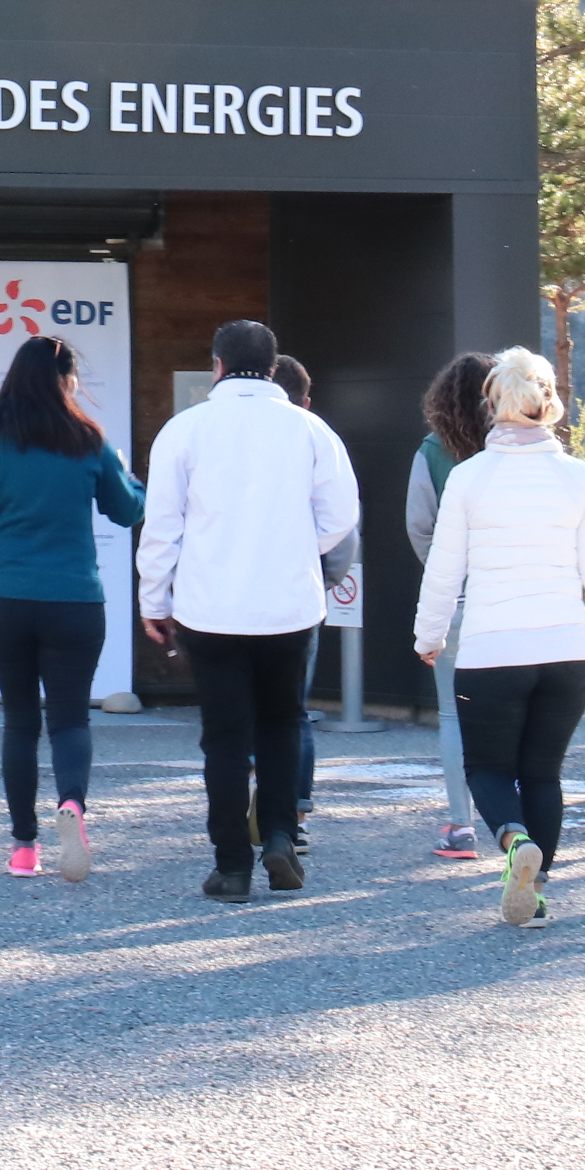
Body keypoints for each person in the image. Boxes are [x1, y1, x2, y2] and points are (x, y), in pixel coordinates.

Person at [413, 348, 585, 929]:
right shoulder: (578, 478)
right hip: (566, 652)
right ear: (550, 405)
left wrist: (429, 634)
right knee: (544, 771)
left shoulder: (468, 478)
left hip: (493, 650)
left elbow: (445, 568)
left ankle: (515, 842)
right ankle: (537, 890)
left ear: (493, 403)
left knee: (488, 768)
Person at [139, 319, 361, 903]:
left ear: (216, 364)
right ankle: (283, 836)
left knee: (224, 738)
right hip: (289, 605)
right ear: (272, 367)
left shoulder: (184, 431)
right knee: (284, 723)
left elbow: (161, 527)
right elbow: (341, 517)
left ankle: (232, 864)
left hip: (208, 608)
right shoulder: (311, 430)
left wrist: (153, 599)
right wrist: (297, 549)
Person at [0, 334, 146, 882]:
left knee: (20, 723)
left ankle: (24, 847)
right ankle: (72, 805)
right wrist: (128, 472)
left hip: (5, 600)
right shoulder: (88, 440)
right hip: (75, 601)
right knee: (71, 717)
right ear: (66, 379)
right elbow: (127, 511)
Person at [406, 352, 494, 859]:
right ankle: (516, 821)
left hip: (459, 599)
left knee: (452, 717)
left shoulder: (431, 452)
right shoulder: (516, 450)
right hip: (512, 600)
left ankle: (461, 828)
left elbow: (420, 525)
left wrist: (444, 574)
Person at [272, 353, 356, 852]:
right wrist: (321, 575)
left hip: (232, 601)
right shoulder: (319, 439)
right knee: (293, 712)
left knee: (238, 711)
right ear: (306, 399)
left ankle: (246, 810)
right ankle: (296, 814)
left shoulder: (239, 440)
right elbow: (343, 528)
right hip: (300, 597)